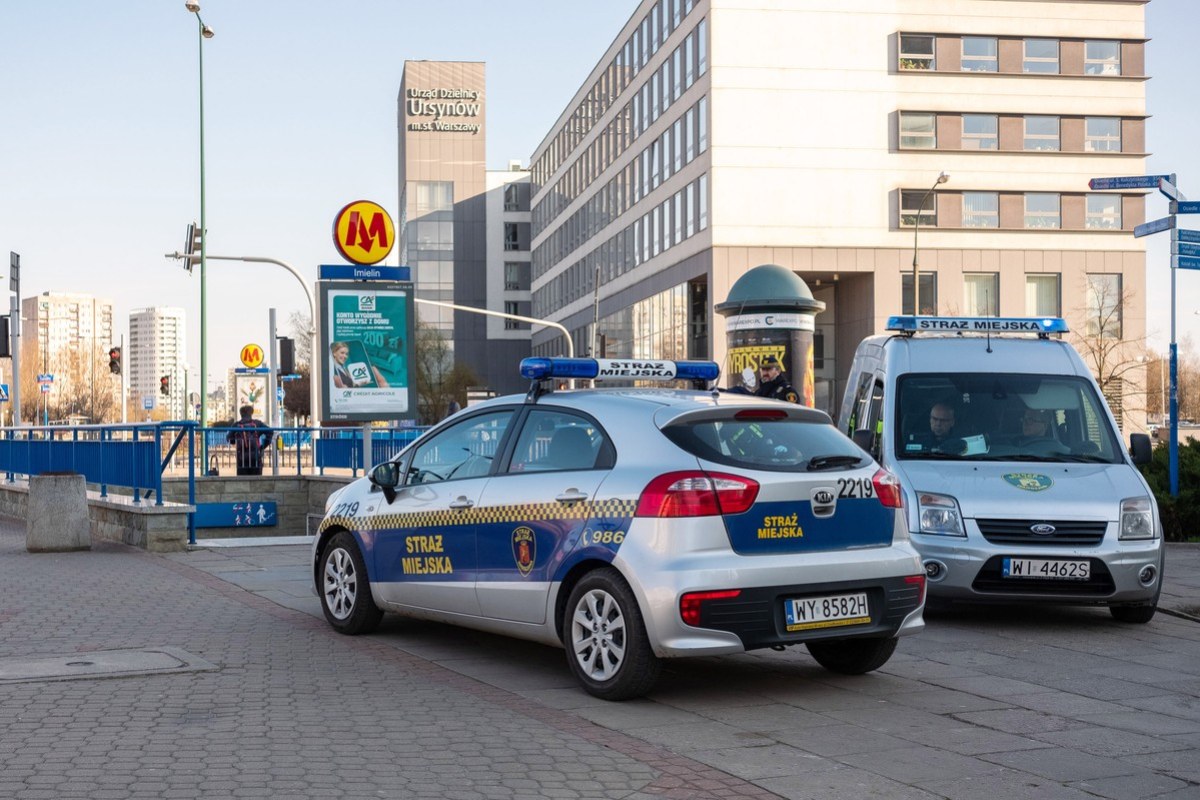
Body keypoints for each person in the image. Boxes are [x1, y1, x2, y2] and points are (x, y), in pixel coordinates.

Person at [227, 404, 273, 476]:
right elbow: (270, 431)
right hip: (255, 457)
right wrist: (263, 446)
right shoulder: (257, 424)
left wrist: (234, 441)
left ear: (241, 414)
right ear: (251, 413)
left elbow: (229, 439)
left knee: (242, 482)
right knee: (256, 481)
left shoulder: (236, 425)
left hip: (241, 458)